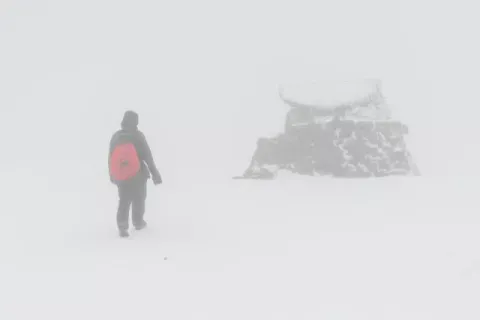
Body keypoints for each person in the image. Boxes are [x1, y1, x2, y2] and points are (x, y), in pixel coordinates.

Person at [108, 110, 162, 238]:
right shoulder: (138, 136)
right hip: (138, 174)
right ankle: (138, 222)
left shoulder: (116, 137)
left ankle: (122, 226)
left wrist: (112, 174)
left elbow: (111, 157)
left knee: (124, 200)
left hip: (122, 176)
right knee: (139, 198)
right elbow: (147, 156)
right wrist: (155, 174)